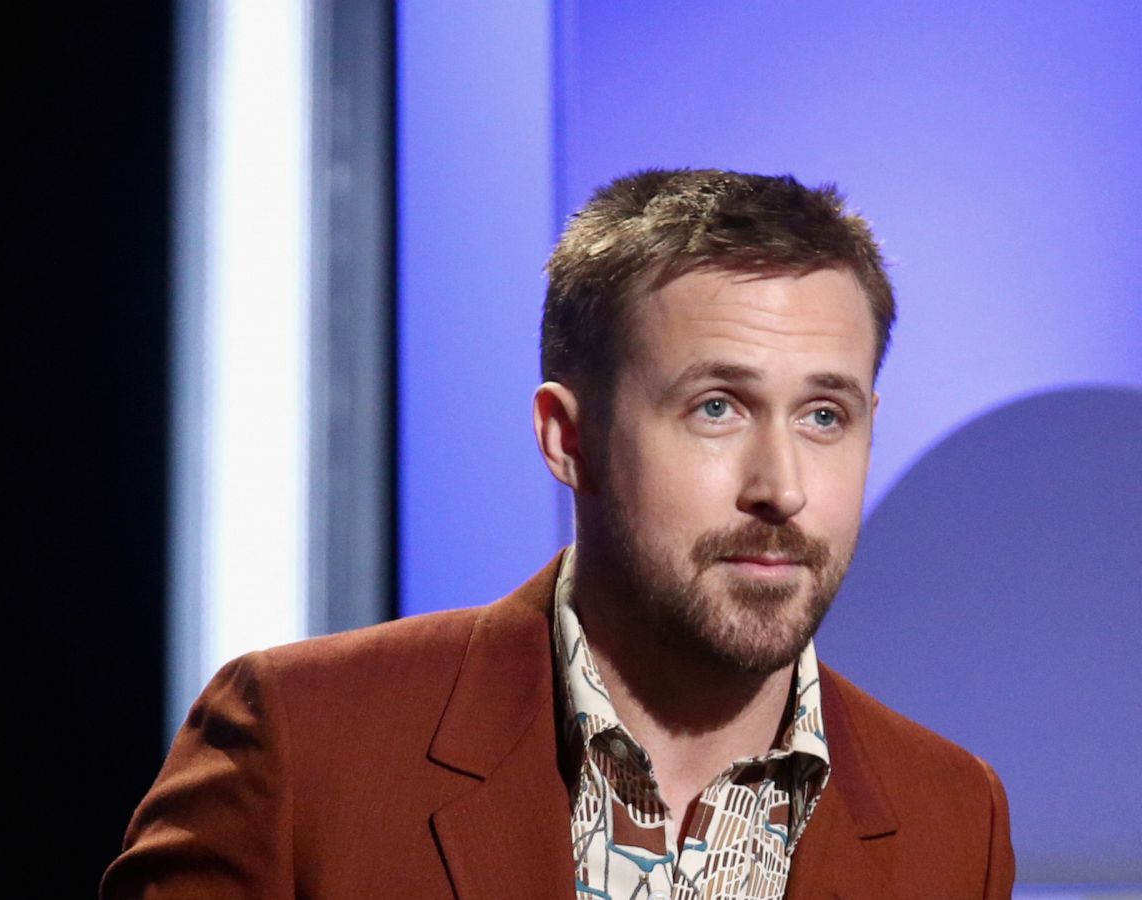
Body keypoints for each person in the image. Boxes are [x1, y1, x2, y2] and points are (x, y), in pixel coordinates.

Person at [102, 169, 1014, 899]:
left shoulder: (953, 818)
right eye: (716, 407)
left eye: (824, 416)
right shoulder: (307, 746)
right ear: (565, 437)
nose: (780, 488)